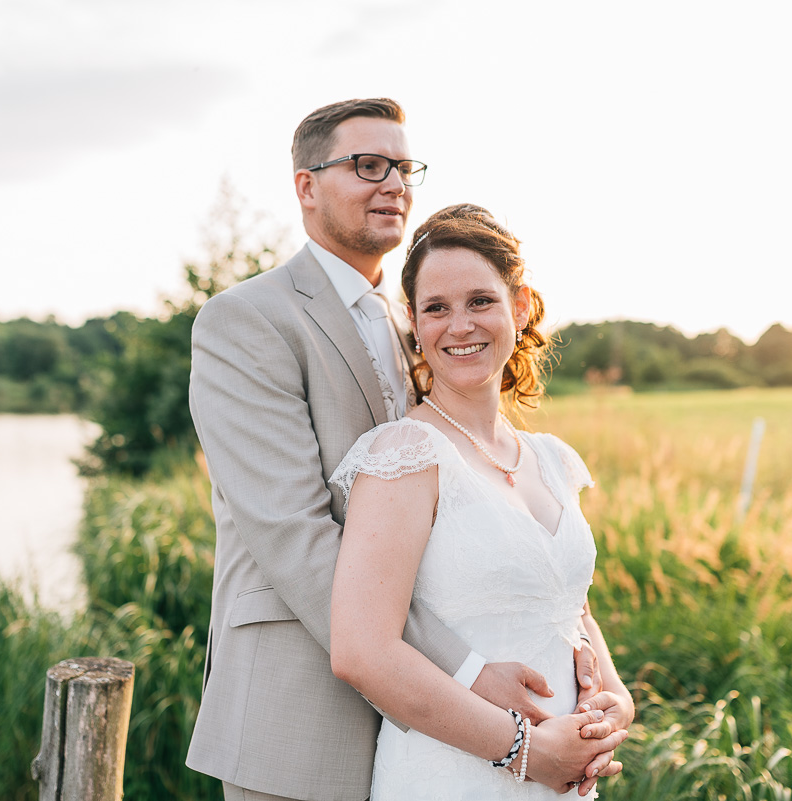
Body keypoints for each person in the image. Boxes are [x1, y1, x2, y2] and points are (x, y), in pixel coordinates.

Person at [185, 98, 620, 801]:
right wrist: (471, 670)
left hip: (439, 732)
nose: (393, 183)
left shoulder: (418, 314)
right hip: (301, 717)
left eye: (403, 166)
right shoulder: (247, 321)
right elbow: (296, 536)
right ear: (306, 186)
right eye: (366, 165)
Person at [329, 207, 635, 798]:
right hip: (456, 773)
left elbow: (571, 608)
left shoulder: (550, 459)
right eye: (436, 308)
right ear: (415, 325)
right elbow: (362, 652)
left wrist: (614, 705)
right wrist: (523, 751)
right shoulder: (405, 454)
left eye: (480, 301)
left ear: (519, 307)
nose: (459, 325)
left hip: (564, 779)